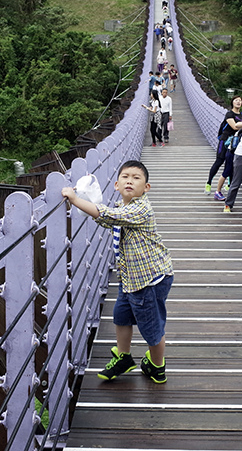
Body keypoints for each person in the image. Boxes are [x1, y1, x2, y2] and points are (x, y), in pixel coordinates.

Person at [61, 161, 173, 383]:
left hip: (149, 280)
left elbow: (109, 216)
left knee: (152, 327)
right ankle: (123, 357)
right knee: (121, 317)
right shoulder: (123, 208)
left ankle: (157, 366)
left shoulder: (141, 208)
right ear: (116, 185)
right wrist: (84, 198)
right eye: (125, 177)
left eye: (136, 178)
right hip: (129, 277)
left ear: (146, 188)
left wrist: (75, 200)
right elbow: (108, 218)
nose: (130, 180)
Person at [204, 96, 242, 201]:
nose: (238, 102)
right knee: (219, 161)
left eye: (240, 100)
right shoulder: (229, 114)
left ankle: (228, 186)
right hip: (225, 140)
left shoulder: (241, 115)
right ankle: (209, 183)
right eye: (236, 100)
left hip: (234, 143)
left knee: (231, 164)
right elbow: (234, 126)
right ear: (232, 102)